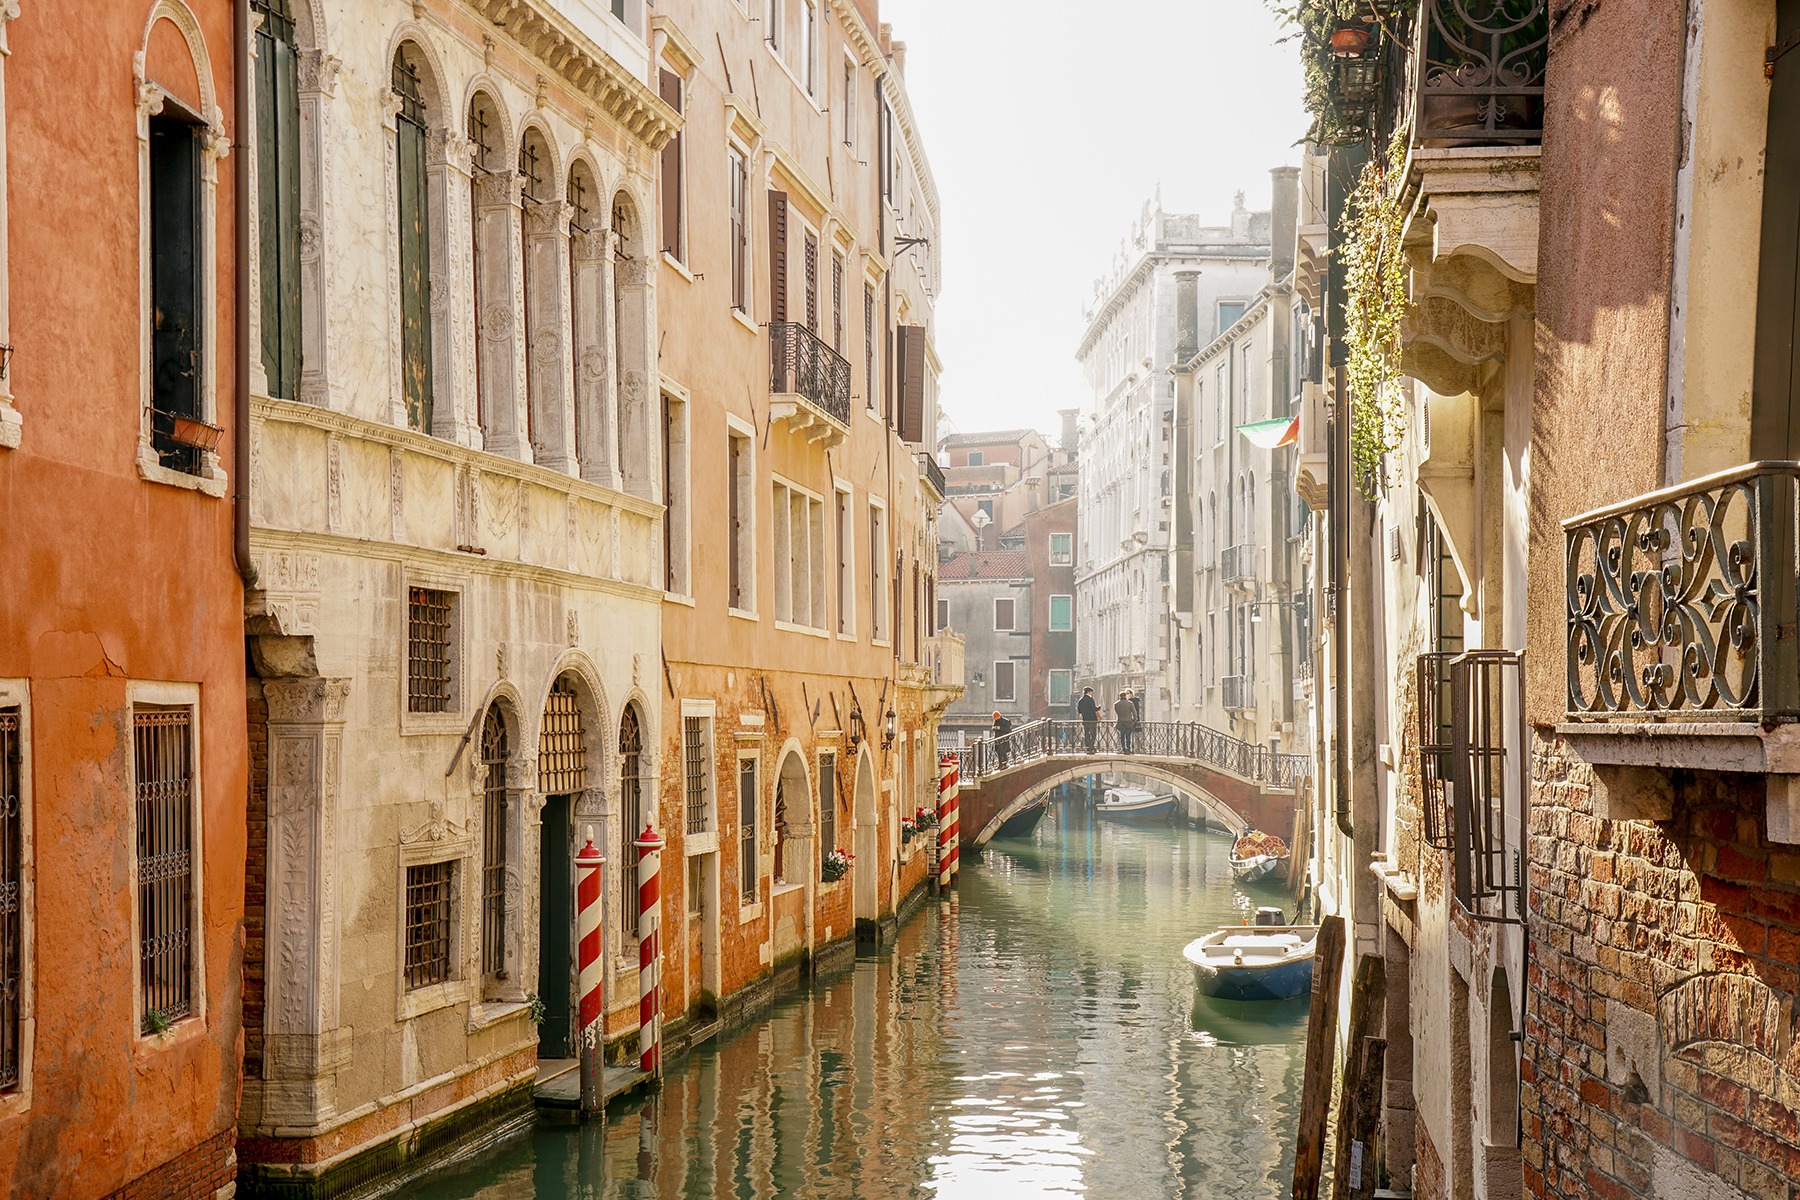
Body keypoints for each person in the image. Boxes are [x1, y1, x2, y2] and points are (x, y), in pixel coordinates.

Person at [1077, 687, 1099, 753]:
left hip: (1085, 719)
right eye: (1091, 692)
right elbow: (1094, 709)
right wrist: (1099, 708)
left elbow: (1079, 711)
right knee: (1093, 734)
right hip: (1092, 719)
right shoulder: (1090, 700)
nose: (1092, 694)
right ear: (1088, 692)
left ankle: (1087, 747)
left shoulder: (1080, 700)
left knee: (1086, 733)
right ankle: (1091, 746)